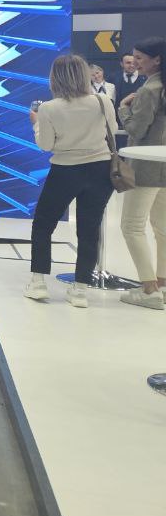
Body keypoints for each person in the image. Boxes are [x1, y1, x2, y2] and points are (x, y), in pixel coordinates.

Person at [24, 55, 118, 308]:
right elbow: (112, 130)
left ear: (55, 77)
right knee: (89, 229)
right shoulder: (102, 101)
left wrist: (36, 125)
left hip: (65, 170)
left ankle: (38, 282)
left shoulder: (48, 108)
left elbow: (45, 145)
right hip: (100, 169)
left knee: (43, 224)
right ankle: (80, 289)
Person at [119, 36, 166, 311]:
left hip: (146, 166)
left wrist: (124, 109)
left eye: (139, 58)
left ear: (156, 59)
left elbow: (136, 129)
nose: (134, 62)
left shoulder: (150, 90)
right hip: (164, 166)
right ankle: (162, 284)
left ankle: (149, 290)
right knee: (162, 227)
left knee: (132, 226)